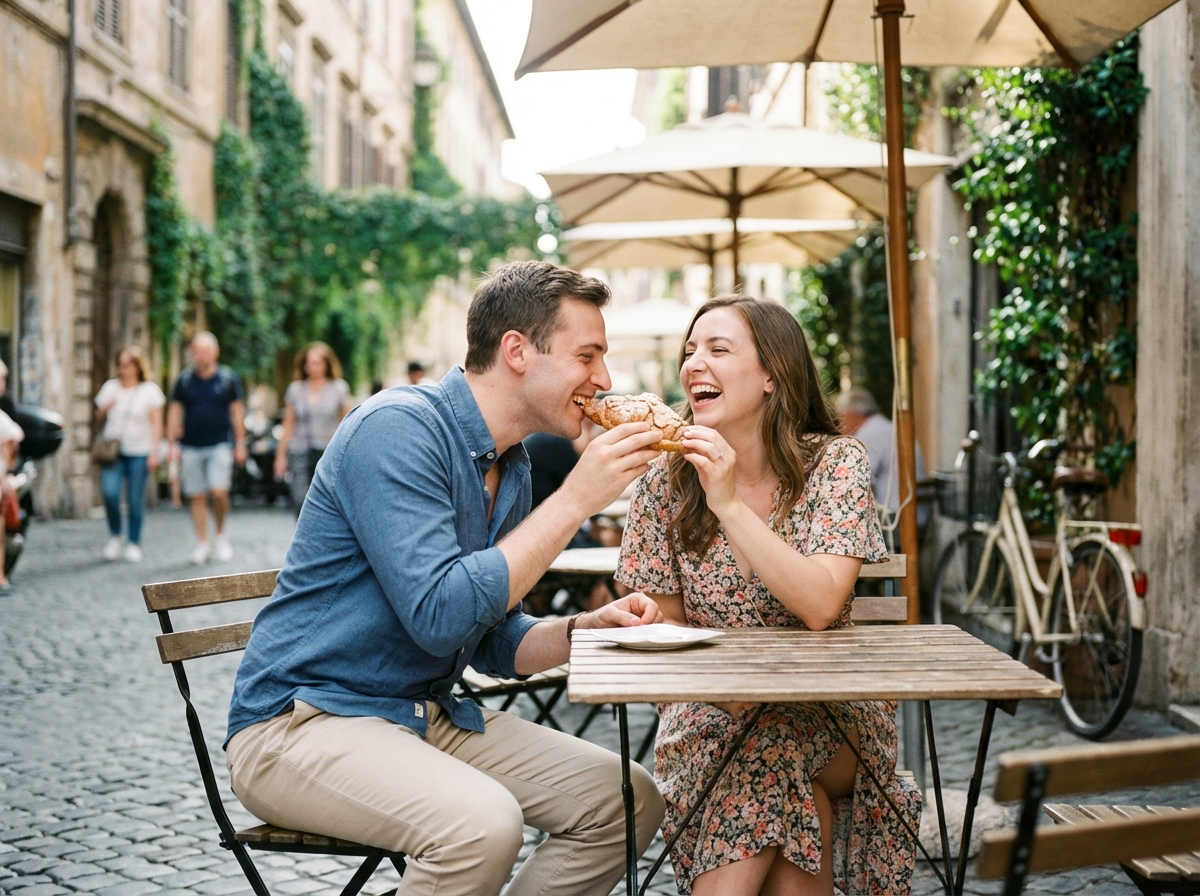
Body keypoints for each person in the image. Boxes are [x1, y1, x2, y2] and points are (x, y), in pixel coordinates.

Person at [224, 261, 667, 896]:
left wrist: (579, 630)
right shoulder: (398, 428)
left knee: (627, 800)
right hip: (299, 725)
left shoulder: (509, 467)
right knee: (480, 826)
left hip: (417, 715)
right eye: (587, 356)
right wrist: (574, 501)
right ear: (516, 350)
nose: (604, 380)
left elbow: (487, 636)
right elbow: (439, 615)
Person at [616, 297, 921, 896]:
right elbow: (665, 625)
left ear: (771, 376)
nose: (693, 364)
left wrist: (727, 502)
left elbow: (820, 605)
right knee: (784, 778)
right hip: (710, 715)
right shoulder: (663, 480)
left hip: (832, 715)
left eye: (717, 349)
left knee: (771, 740)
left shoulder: (836, 463)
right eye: (690, 350)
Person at [167, 332, 247, 564]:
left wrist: (240, 443)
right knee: (197, 495)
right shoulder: (184, 381)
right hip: (191, 445)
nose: (200, 355)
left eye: (205, 350)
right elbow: (174, 412)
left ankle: (220, 534)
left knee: (219, 491)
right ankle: (203, 542)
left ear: (215, 352)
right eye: (197, 350)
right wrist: (171, 444)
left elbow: (236, 411)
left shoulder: (227, 378)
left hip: (220, 444)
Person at [94, 347, 166, 562]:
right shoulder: (110, 387)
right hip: (114, 452)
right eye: (121, 364)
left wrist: (154, 452)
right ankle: (116, 535)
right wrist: (106, 407)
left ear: (138, 366)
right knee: (110, 493)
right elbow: (97, 414)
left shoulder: (149, 391)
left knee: (135, 499)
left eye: (129, 364)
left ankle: (133, 542)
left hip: (140, 451)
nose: (124, 368)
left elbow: (156, 424)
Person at [835, 386, 929, 538]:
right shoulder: (885, 427)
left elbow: (853, 479)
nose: (840, 422)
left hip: (895, 520)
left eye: (840, 416)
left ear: (850, 414)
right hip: (914, 514)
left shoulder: (870, 434)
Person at [273, 342, 352, 514]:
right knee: (300, 497)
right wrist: (280, 456)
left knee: (328, 498)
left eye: (317, 362)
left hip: (328, 450)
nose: (313, 367)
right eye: (309, 363)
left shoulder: (338, 388)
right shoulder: (296, 390)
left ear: (327, 364)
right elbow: (288, 424)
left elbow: (347, 423)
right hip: (300, 449)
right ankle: (304, 538)